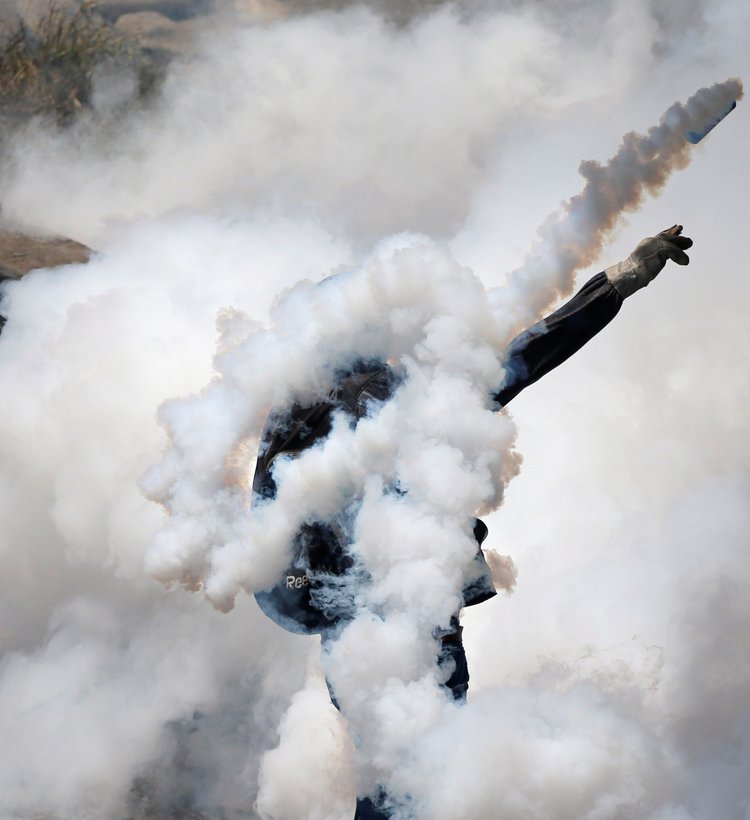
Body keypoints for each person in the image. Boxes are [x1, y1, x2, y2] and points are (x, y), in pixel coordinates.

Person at [251, 225, 694, 819]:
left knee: (413, 783)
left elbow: (268, 560)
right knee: (412, 784)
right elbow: (527, 356)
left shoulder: (346, 401)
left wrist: (617, 283)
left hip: (400, 626)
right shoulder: (330, 411)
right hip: (384, 632)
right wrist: (618, 283)